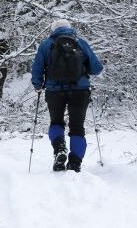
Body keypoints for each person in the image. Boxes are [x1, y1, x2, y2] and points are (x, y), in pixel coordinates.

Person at [31, 19, 103, 172]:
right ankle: (75, 163)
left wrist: (38, 85)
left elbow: (37, 68)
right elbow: (96, 69)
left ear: (53, 30)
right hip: (80, 91)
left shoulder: (46, 45)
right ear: (70, 29)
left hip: (54, 91)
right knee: (77, 127)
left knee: (56, 122)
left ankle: (59, 149)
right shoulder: (80, 43)